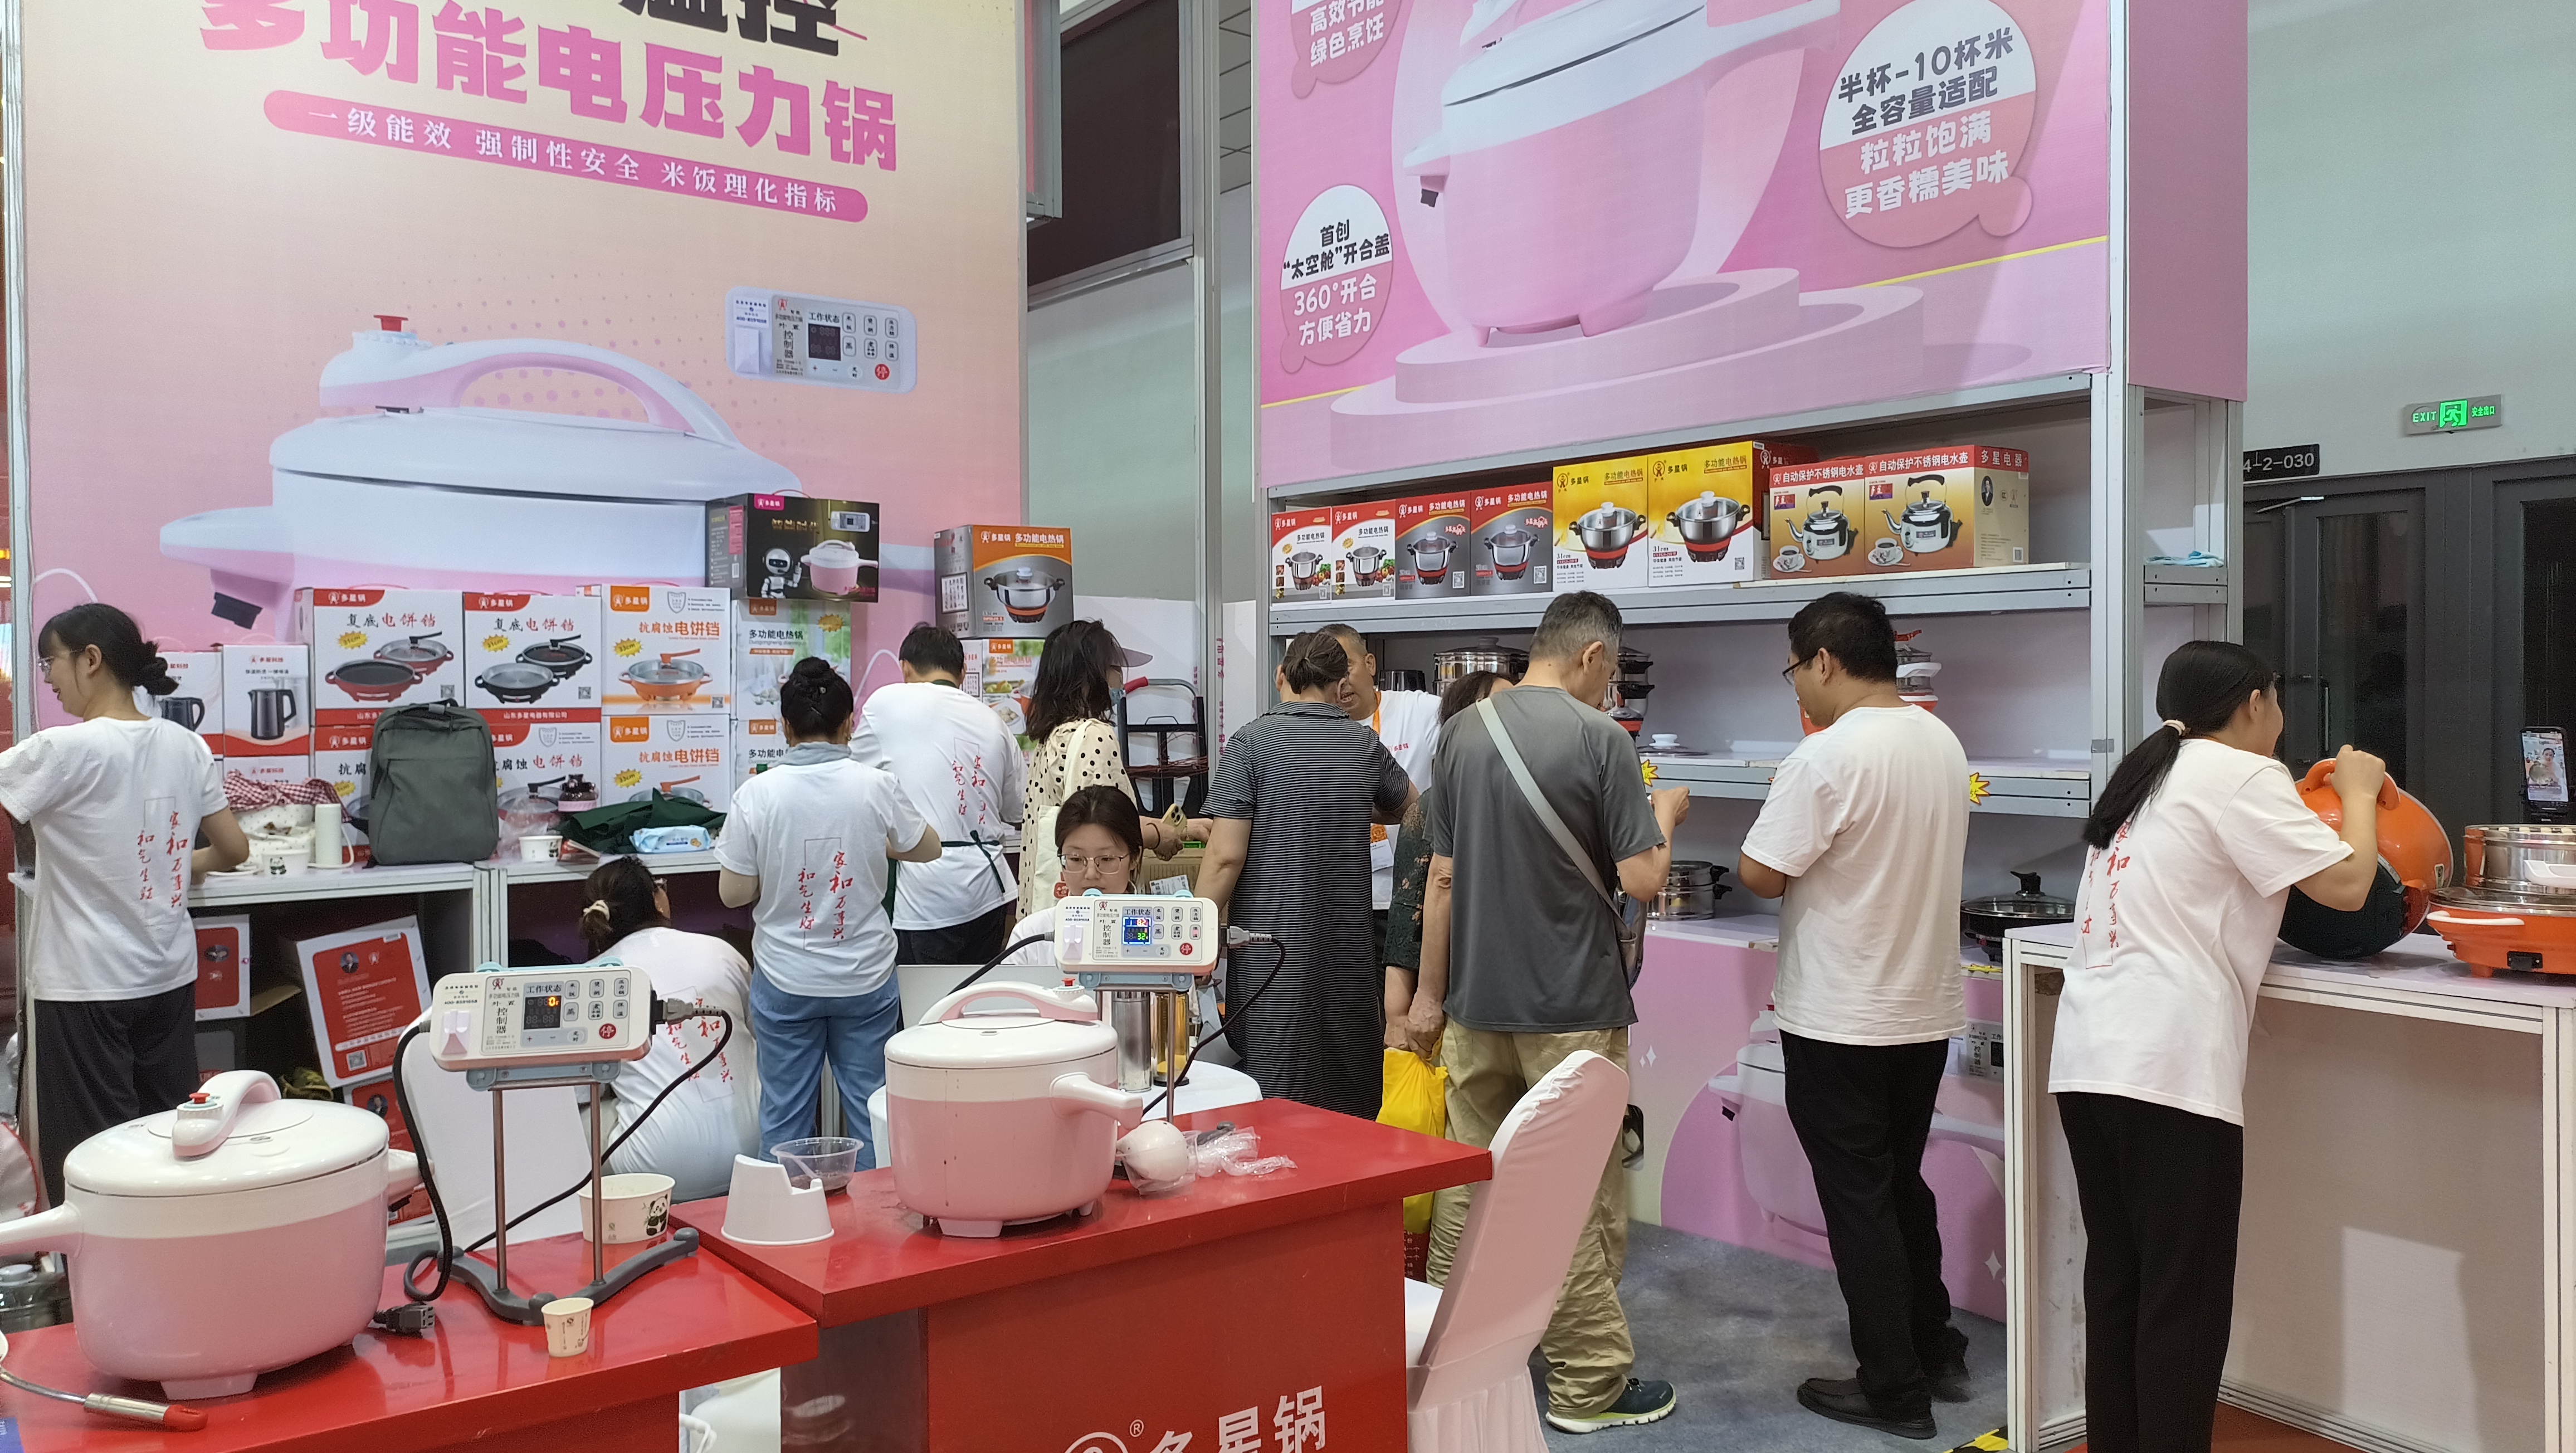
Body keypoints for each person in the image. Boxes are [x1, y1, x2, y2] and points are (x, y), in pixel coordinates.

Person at [2050, 642, 2381, 1453]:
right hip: (2170, 1069)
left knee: (2120, 1280)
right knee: (2184, 1302)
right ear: (2254, 704)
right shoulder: (2240, 774)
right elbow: (2350, 888)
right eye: (2276, 701)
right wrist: (2358, 792)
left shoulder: (2147, 777)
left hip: (2089, 1060)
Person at [1406, 592, 1687, 1435]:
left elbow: (1442, 878)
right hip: (1569, 1006)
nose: (1611, 688)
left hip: (1475, 1002)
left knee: (1470, 1183)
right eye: (1613, 672)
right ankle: (1587, 1382)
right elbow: (1643, 880)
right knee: (1572, 1194)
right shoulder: (1601, 738)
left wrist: (1428, 994)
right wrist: (1665, 817)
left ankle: (1444, 1362)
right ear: (1593, 656)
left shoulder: (1460, 734)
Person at [1735, 591, 1973, 1441]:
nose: (1797, 687)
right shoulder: (1940, 741)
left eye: (1794, 670)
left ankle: (1894, 1389)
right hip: (1922, 1007)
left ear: (1825, 662)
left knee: (1859, 1201)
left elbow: (1761, 872)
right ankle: (1935, 1346)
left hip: (1840, 1013)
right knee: (1901, 1181)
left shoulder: (1826, 755)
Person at [0, 604, 250, 1202]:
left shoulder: (62, 749)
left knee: (92, 1160)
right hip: (167, 977)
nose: (48, 679)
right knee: (169, 1142)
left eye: (50, 663)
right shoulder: (187, 745)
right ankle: (167, 1254)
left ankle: (98, 1264)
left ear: (90, 659)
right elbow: (234, 849)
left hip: (84, 985)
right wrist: (175, 864)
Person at [716, 657, 941, 1161]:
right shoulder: (876, 786)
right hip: (865, 980)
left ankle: (786, 1204)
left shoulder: (757, 794)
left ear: (785, 727)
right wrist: (879, 845)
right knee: (871, 1110)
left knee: (785, 1116)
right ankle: (875, 1206)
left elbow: (733, 893)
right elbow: (929, 848)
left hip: (785, 980)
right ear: (849, 724)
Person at [1197, 632, 1416, 1119]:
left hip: (1271, 954)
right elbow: (1413, 808)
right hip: (1346, 956)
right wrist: (1353, 804)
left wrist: (1195, 934)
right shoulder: (1363, 743)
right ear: (1341, 686)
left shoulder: (1250, 744)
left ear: (1282, 676)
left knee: (1275, 1088)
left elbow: (1225, 857)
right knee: (1349, 1088)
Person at [577, 857, 759, 1202]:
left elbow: (581, 1091)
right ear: (657, 900)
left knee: (580, 1119)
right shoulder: (721, 952)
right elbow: (761, 1038)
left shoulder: (592, 980)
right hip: (756, 1151)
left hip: (657, 1168)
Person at [852, 623, 1027, 967]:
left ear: (905, 668)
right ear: (963, 672)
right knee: (976, 997)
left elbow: (850, 784)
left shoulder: (886, 703)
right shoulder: (995, 722)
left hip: (926, 897)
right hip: (990, 890)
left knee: (925, 999)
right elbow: (1018, 809)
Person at [1018, 620, 1203, 914]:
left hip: (1047, 908)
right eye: (1116, 669)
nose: (1120, 681)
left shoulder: (1052, 737)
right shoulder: (1093, 735)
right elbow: (1099, 830)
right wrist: (1159, 837)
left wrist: (1183, 828)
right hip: (1089, 908)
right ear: (1094, 675)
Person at [1382, 670, 1507, 1050]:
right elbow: (1407, 917)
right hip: (1455, 1007)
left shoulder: (1524, 793)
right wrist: (1397, 1017)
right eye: (1503, 707)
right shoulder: (1433, 806)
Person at [1315, 624, 1442, 969]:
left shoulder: (1418, 710)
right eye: (1330, 674)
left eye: (1347, 668)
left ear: (1370, 663)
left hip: (1410, 895)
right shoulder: (1317, 731)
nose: (1341, 684)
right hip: (1340, 902)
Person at [998, 786, 1148, 971]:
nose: (1091, 874)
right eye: (1076, 859)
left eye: (1107, 859)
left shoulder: (1159, 927)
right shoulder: (1031, 934)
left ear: (1134, 858)